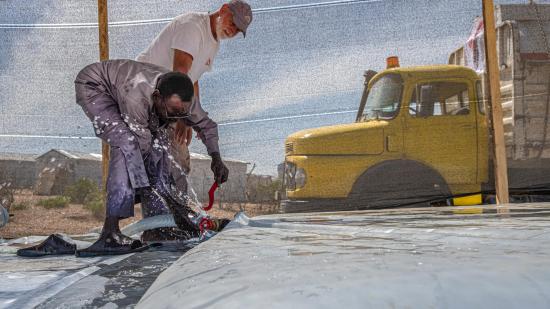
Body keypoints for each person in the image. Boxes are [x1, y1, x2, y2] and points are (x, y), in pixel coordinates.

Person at [72, 59, 229, 256]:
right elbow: (139, 152)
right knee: (126, 143)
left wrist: (216, 157)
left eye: (180, 115)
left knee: (161, 147)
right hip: (96, 86)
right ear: (157, 97)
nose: (174, 119)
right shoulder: (136, 98)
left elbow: (206, 125)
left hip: (127, 89)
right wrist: (168, 202)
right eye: (171, 112)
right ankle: (109, 234)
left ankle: (157, 230)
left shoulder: (184, 100)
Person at [135, 1, 252, 235]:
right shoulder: (192, 27)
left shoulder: (213, 42)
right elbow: (179, 72)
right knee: (164, 160)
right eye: (233, 23)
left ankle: (174, 220)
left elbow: (194, 80)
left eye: (239, 30)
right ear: (224, 10)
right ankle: (158, 227)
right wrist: (182, 117)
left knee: (178, 159)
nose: (234, 31)